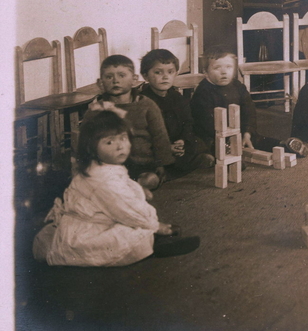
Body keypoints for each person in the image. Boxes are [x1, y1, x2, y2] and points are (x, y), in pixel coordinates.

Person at [32, 111, 200, 266]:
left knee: (134, 222)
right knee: (125, 236)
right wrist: (157, 225)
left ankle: (153, 238)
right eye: (110, 142)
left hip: (100, 217)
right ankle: (154, 244)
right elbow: (125, 209)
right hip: (88, 231)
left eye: (123, 139)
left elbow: (122, 183)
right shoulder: (100, 180)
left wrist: (139, 190)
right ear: (91, 148)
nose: (120, 146)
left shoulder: (102, 166)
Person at [190, 48, 307, 158]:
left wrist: (247, 132)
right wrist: (230, 138)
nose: (224, 72)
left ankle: (283, 144)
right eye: (217, 68)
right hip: (215, 135)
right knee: (209, 146)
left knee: (258, 140)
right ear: (206, 72)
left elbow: (249, 110)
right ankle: (210, 157)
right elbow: (206, 123)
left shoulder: (237, 86)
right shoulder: (203, 92)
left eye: (229, 67)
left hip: (240, 131)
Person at [84, 55, 175, 191]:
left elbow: (159, 136)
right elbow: (85, 139)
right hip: (109, 166)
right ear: (100, 82)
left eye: (122, 75)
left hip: (141, 165)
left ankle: (128, 188)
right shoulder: (96, 110)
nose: (115, 81)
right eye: (109, 77)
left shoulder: (147, 105)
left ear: (133, 80)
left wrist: (162, 164)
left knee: (149, 180)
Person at [139, 49, 215, 176]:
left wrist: (183, 140)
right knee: (146, 157)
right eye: (158, 72)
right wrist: (166, 147)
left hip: (177, 143)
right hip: (157, 145)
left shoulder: (177, 97)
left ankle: (184, 163)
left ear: (176, 73)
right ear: (145, 76)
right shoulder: (143, 101)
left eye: (170, 72)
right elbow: (143, 133)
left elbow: (187, 122)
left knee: (201, 141)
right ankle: (173, 169)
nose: (165, 77)